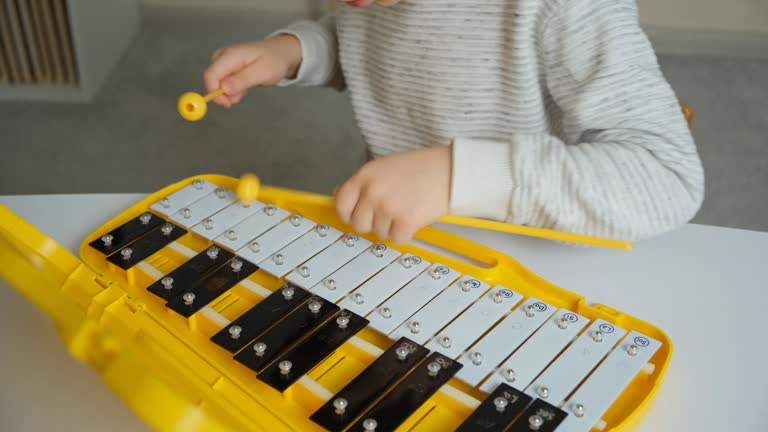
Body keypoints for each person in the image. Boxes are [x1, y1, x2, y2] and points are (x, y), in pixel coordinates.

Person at [203, 0, 704, 245]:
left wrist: (456, 175)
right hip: (398, 234)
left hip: (527, 242)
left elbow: (668, 177)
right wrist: (292, 51)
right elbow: (365, 44)